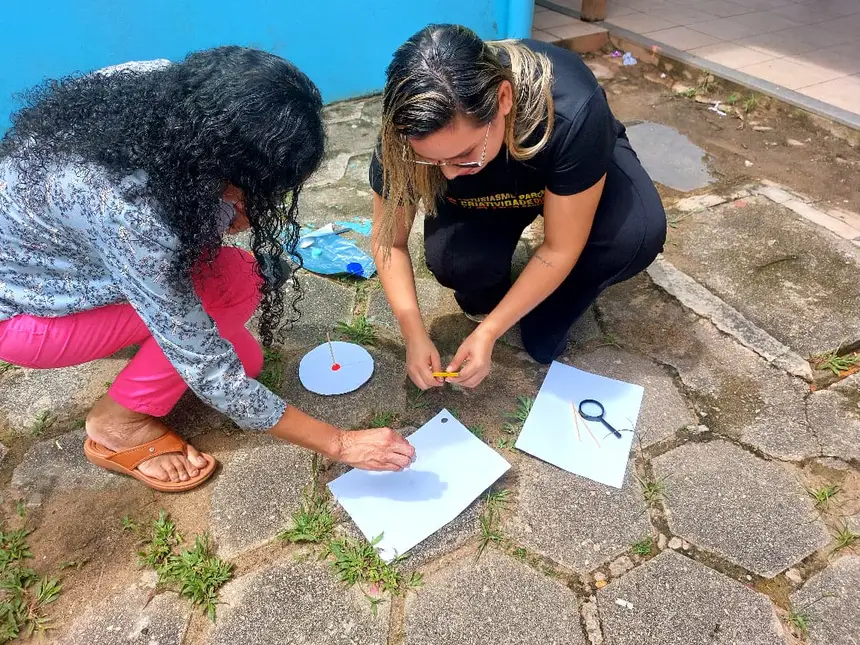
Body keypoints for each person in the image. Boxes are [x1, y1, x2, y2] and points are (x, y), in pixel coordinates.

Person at [0, 46, 414, 493]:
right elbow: (211, 371)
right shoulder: (129, 212)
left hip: (66, 261)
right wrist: (340, 443)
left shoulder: (164, 86)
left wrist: (230, 205)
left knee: (245, 355)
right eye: (257, 189)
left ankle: (147, 351)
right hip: (26, 316)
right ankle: (116, 425)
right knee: (234, 286)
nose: (261, 203)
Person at [370, 25, 666, 390]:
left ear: (504, 99)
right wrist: (413, 332)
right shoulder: (402, 133)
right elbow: (389, 241)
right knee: (458, 263)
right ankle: (504, 289)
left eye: (463, 154)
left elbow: (560, 247)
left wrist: (491, 331)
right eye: (430, 160)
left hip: (566, 163)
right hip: (489, 196)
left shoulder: (573, 110)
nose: (448, 173)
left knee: (634, 234)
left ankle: (555, 296)